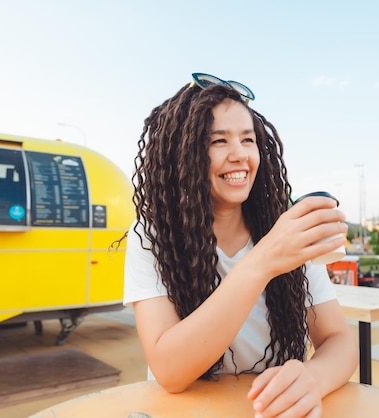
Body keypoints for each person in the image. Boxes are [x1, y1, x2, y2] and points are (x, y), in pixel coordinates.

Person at [123, 72, 358, 418]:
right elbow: (169, 371)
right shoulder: (152, 235)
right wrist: (262, 261)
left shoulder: (286, 229)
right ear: (182, 153)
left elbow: (339, 340)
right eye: (218, 141)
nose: (240, 155)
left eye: (248, 140)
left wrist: (313, 377)